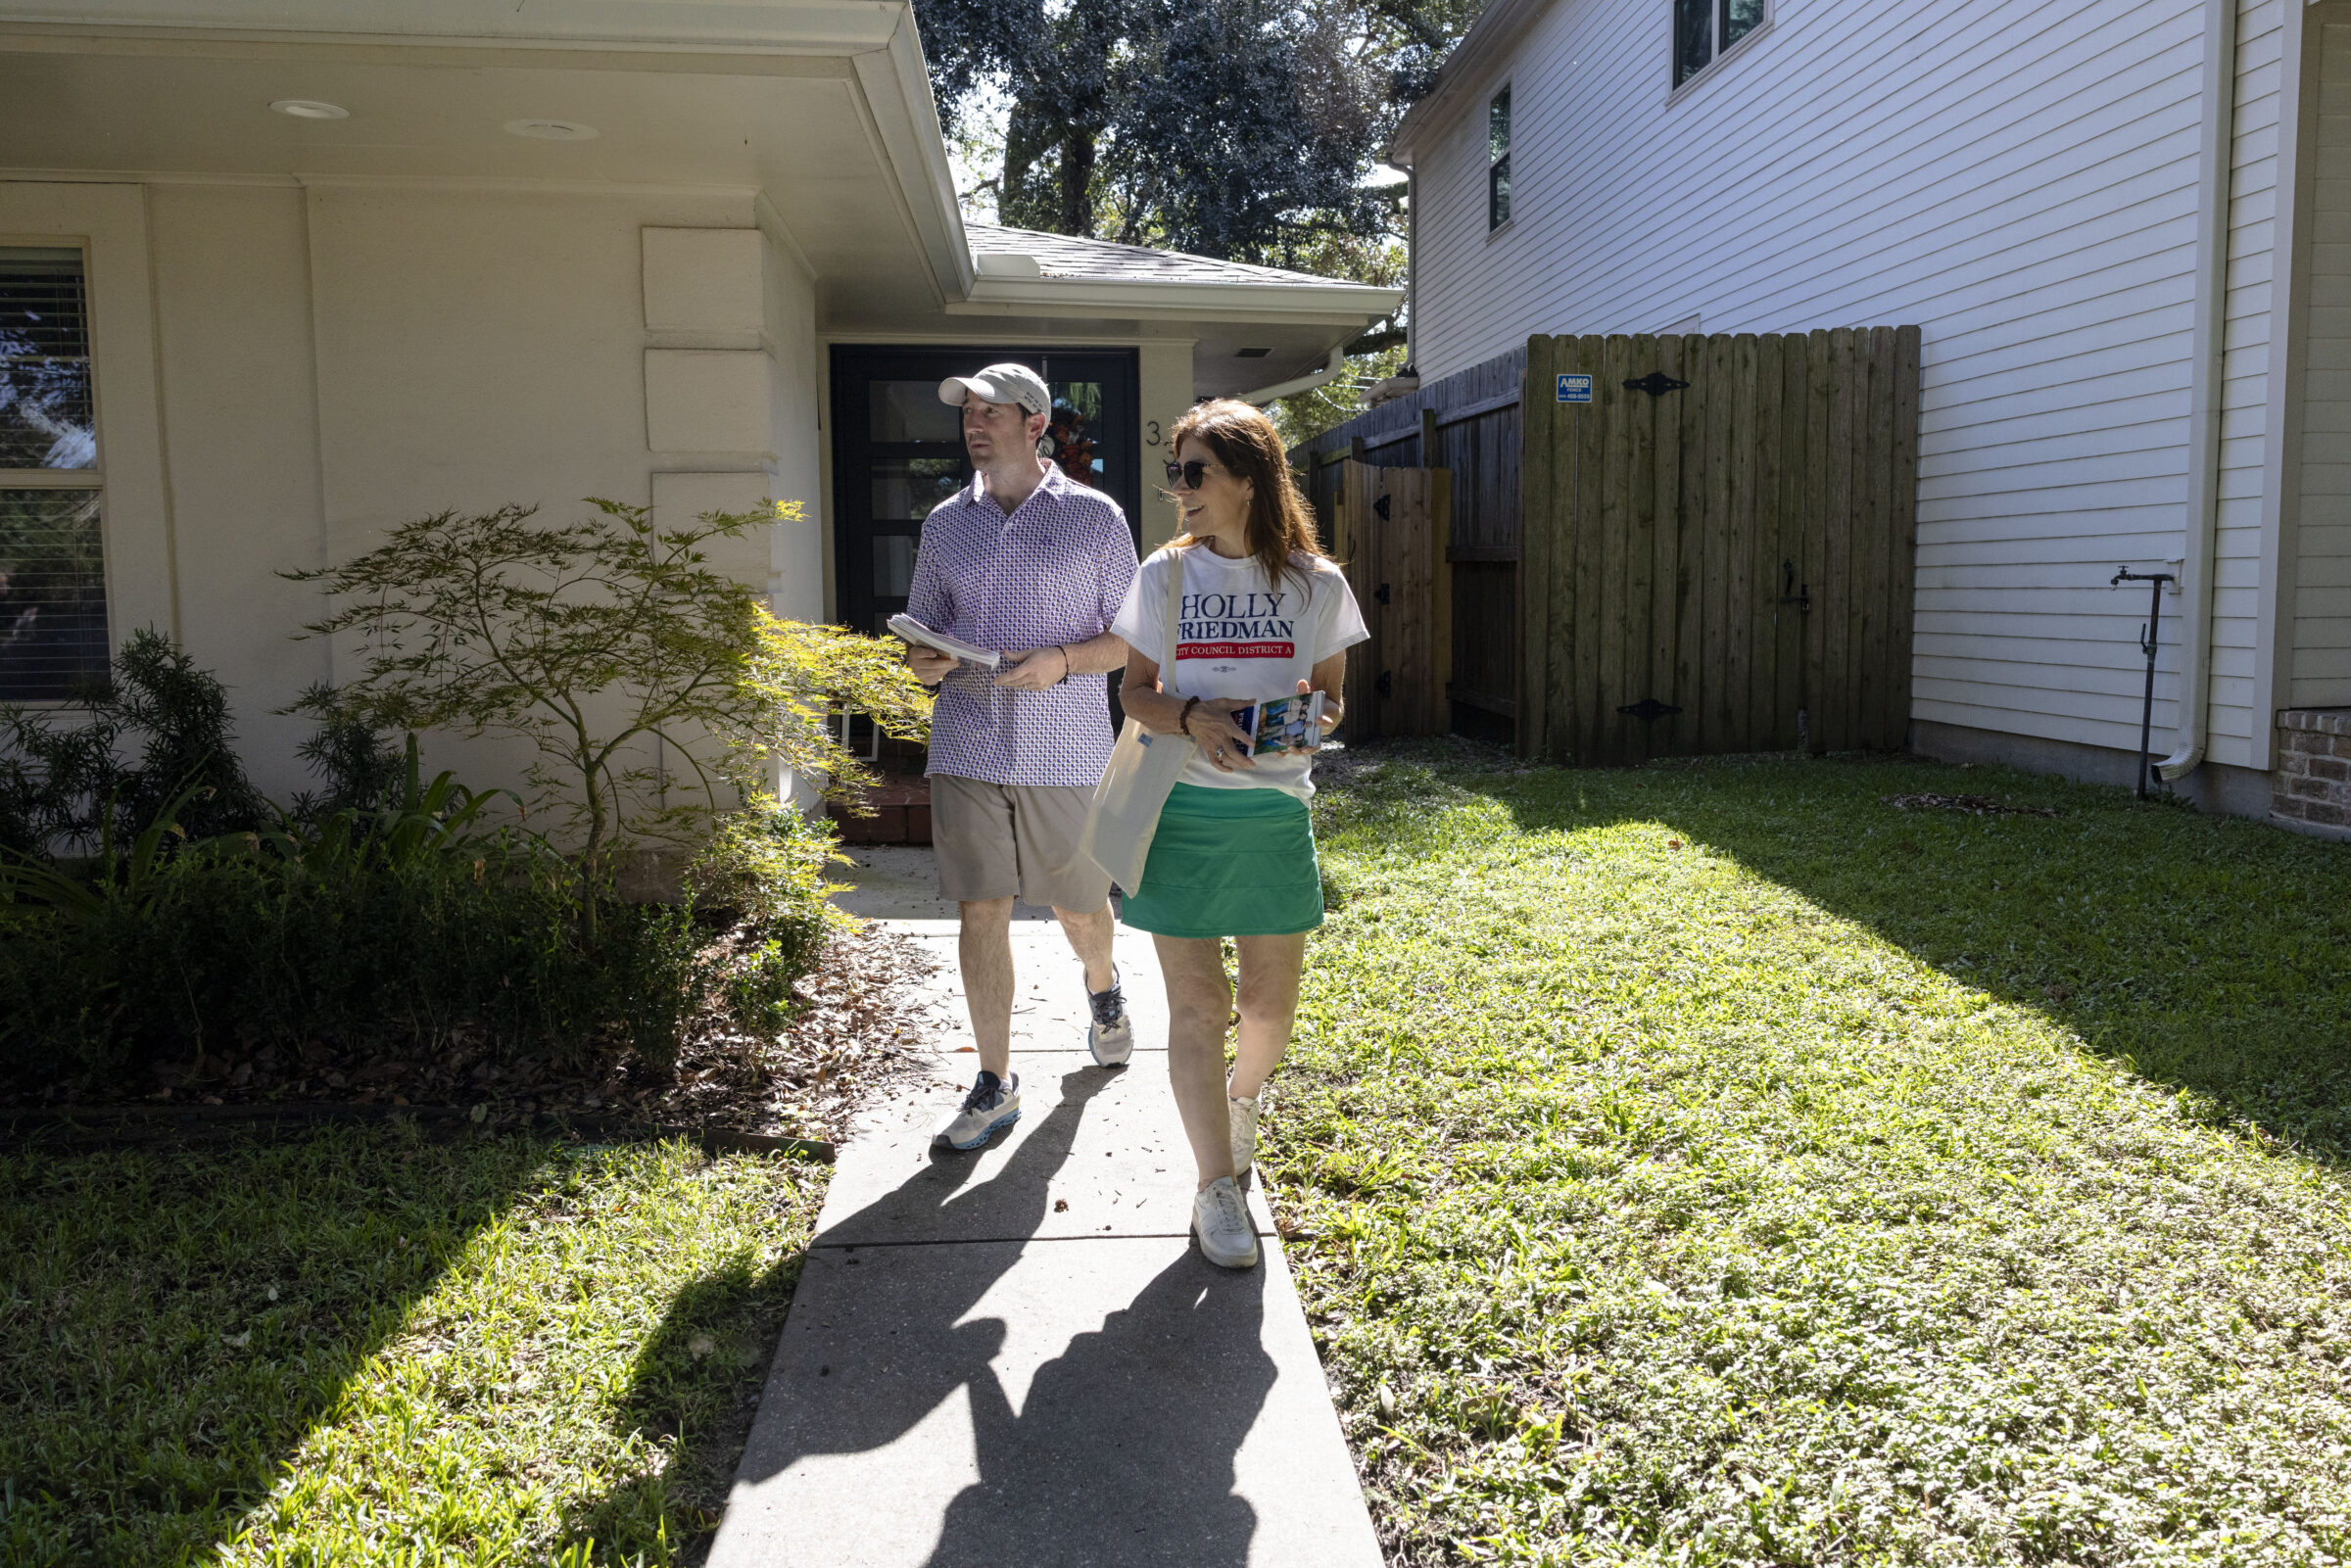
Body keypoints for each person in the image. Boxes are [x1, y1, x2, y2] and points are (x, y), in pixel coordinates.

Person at [1107, 398, 1367, 1270]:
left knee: (1266, 1007)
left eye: (1194, 472)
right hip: (1176, 813)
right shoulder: (1162, 576)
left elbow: (1333, 698)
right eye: (1175, 471)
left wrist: (1301, 722)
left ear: (1248, 479)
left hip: (1270, 814)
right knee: (1198, 1005)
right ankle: (1216, 1185)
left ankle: (1242, 1096)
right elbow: (1133, 694)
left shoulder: (1316, 585)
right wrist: (1190, 713)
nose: (1178, 489)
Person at [904, 362, 1141, 1150]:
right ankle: (995, 1080)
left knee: (1079, 907)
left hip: (1066, 751)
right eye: (967, 412)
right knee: (982, 906)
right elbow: (926, 629)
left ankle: (1103, 988)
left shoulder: (1097, 518)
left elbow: (1130, 640)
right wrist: (925, 661)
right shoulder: (945, 524)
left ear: (1035, 424)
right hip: (968, 741)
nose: (974, 424)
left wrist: (1063, 661)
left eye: (990, 412)